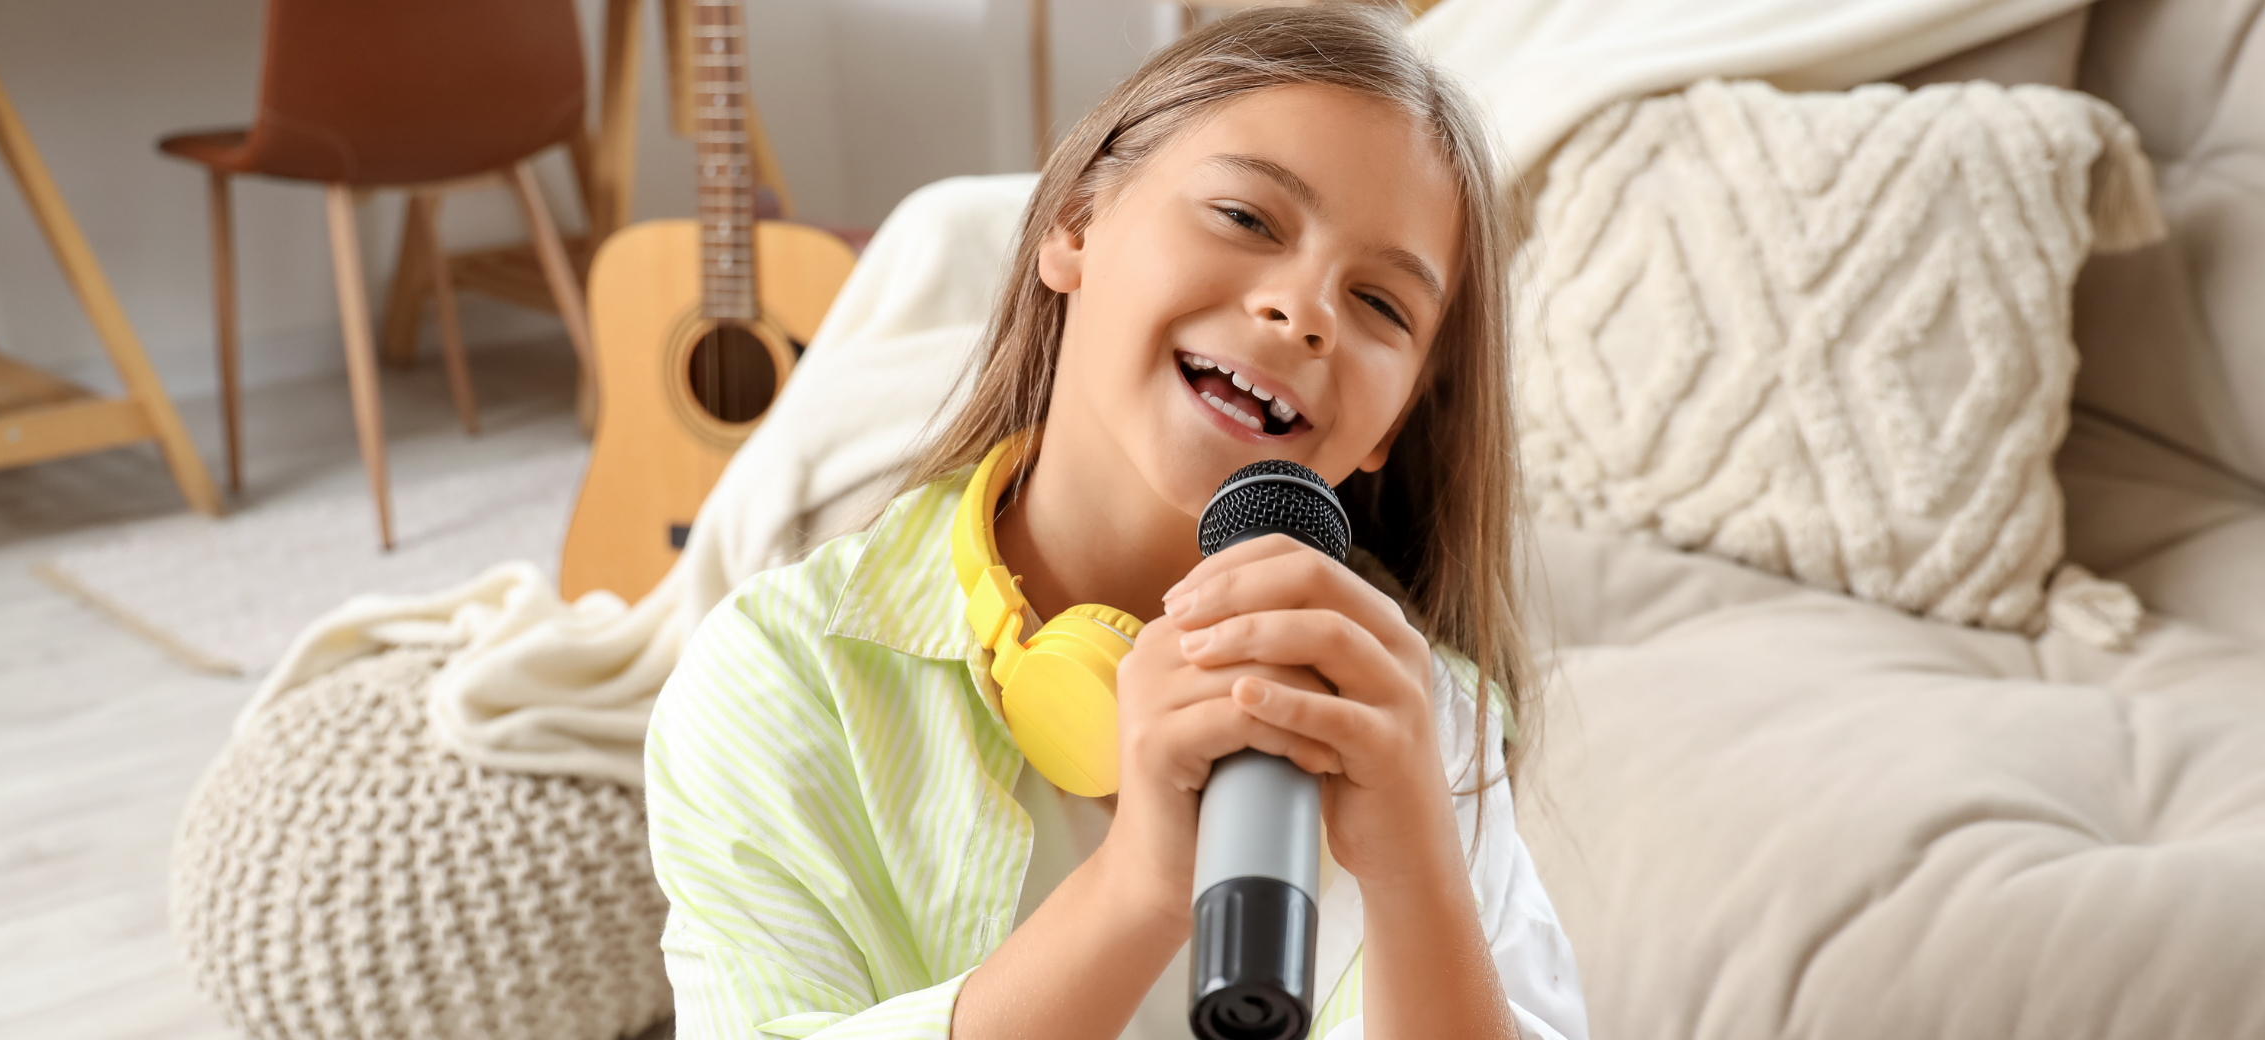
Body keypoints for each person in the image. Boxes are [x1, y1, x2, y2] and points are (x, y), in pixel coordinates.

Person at [644, 7, 1586, 1039]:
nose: (1306, 310)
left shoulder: (1423, 720)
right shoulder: (782, 670)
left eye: (1382, 305)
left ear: (1393, 421)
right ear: (1075, 224)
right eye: (1247, 217)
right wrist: (1136, 889)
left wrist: (1417, 876)